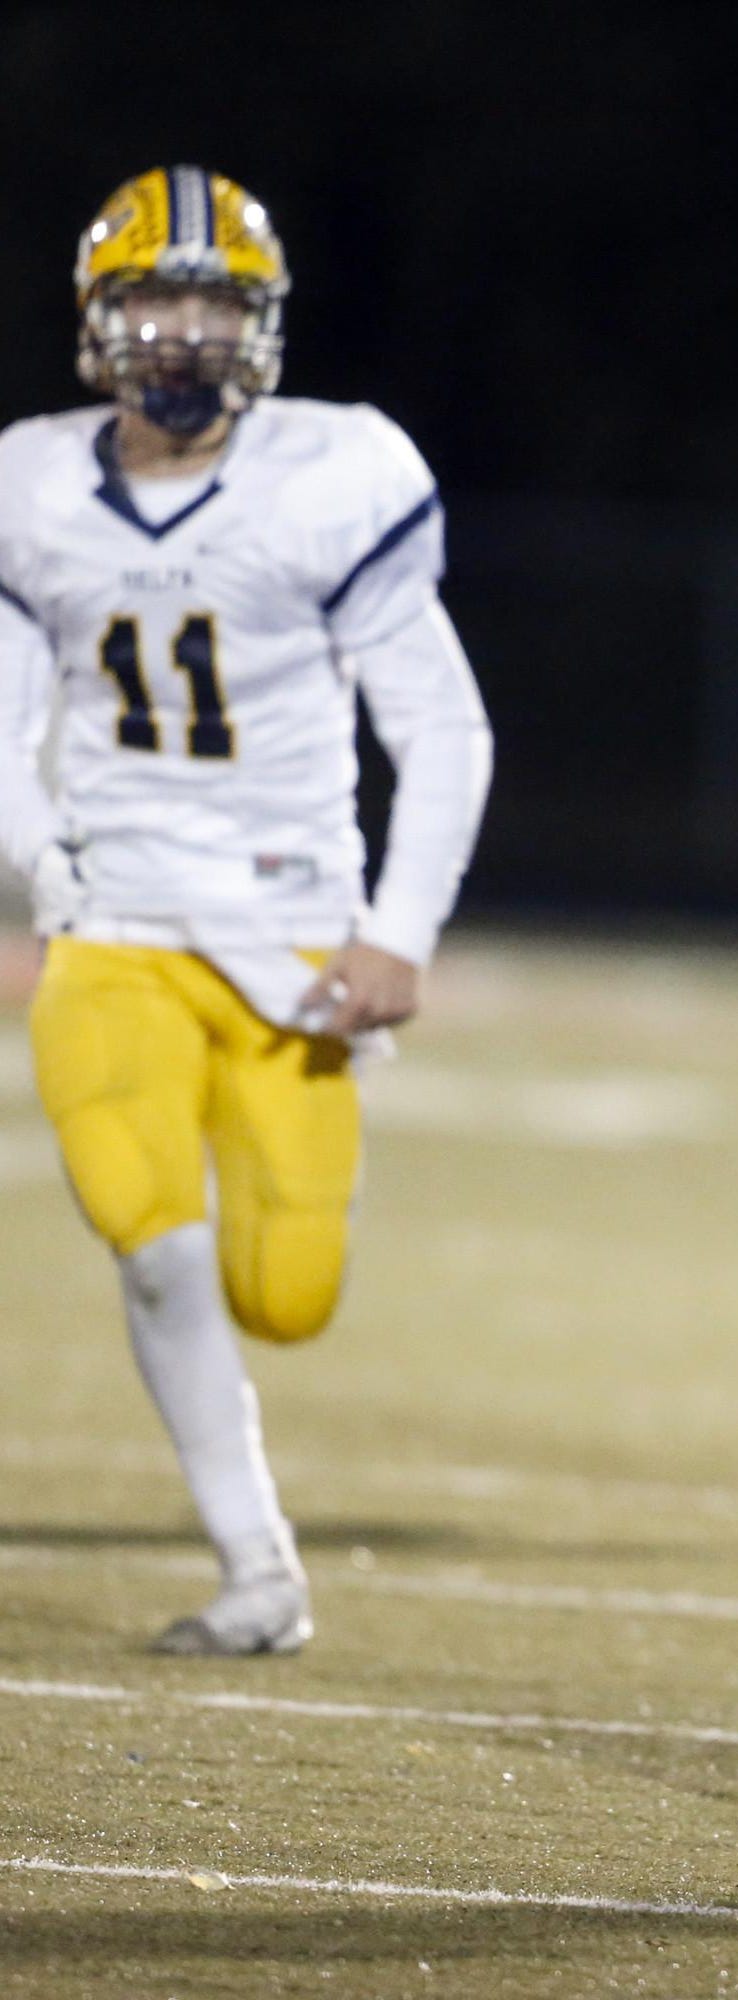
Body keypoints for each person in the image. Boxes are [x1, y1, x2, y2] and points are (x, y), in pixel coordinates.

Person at [0, 167, 494, 1654]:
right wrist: (45, 868)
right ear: (100, 317)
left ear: (263, 324)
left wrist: (398, 928)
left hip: (290, 939)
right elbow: (6, 714)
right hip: (115, 934)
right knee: (150, 1242)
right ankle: (258, 1569)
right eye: (159, 296)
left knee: (285, 1294)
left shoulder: (334, 473)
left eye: (218, 302)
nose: (187, 332)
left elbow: (446, 729)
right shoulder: (28, 483)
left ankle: (255, 1548)